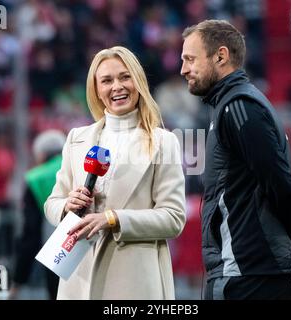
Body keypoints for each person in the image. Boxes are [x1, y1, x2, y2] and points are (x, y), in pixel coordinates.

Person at [180, 19, 291, 300]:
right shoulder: (233, 106)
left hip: (250, 278)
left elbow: (279, 183)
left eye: (190, 59)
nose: (183, 69)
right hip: (250, 273)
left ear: (220, 56)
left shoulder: (239, 107)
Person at [44, 46, 186, 300]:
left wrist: (113, 219)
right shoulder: (77, 138)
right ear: (96, 90)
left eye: (124, 77)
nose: (117, 86)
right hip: (78, 279)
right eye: (107, 80)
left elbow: (173, 218)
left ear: (138, 81)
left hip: (135, 282)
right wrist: (67, 205)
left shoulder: (164, 142)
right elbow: (51, 204)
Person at [11, 129, 66, 299]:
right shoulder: (78, 167)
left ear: (41, 155)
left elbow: (31, 233)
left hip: (57, 252)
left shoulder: (35, 178)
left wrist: (18, 279)